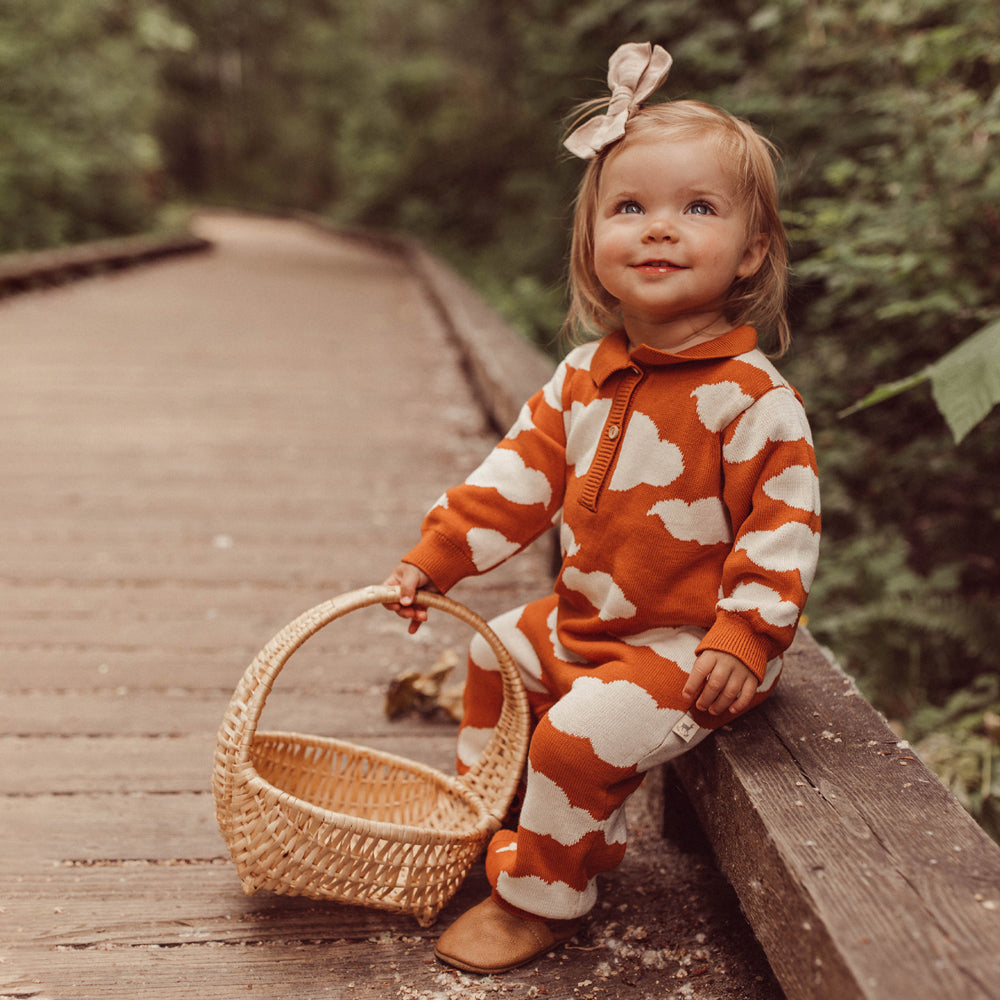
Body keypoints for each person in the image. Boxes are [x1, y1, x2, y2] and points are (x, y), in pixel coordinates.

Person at [383, 40, 821, 975]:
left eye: (696, 209)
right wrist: (436, 556)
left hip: (683, 648)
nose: (658, 229)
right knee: (489, 652)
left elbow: (783, 531)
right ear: (592, 242)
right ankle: (486, 818)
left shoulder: (752, 398)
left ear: (751, 250)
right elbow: (519, 475)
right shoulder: (585, 374)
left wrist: (745, 639)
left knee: (576, 739)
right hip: (586, 621)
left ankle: (540, 896)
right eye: (630, 208)